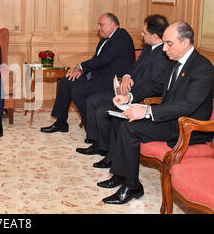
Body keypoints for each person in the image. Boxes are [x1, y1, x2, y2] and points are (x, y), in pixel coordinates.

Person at [99, 21, 213, 205]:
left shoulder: (203, 68)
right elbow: (154, 84)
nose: (164, 48)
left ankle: (132, 186)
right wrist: (129, 97)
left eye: (169, 43)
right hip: (168, 119)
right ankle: (122, 175)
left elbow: (187, 105)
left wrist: (146, 110)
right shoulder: (174, 61)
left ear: (185, 43)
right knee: (120, 120)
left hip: (186, 128)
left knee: (130, 128)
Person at [76, 14, 172, 167]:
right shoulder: (148, 48)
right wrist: (127, 77)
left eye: (144, 33)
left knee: (102, 110)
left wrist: (129, 93)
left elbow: (154, 84)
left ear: (154, 36)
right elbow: (133, 67)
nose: (141, 35)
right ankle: (99, 144)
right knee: (92, 100)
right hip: (129, 90)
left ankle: (108, 153)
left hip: (142, 97)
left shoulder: (164, 55)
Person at [40, 13, 135, 133]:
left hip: (110, 81)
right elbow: (96, 60)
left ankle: (92, 129)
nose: (98, 28)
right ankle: (61, 123)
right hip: (97, 75)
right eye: (98, 25)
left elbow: (103, 60)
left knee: (78, 92)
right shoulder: (104, 41)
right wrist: (80, 71)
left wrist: (81, 66)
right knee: (67, 81)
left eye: (101, 25)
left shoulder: (122, 37)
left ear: (112, 24)